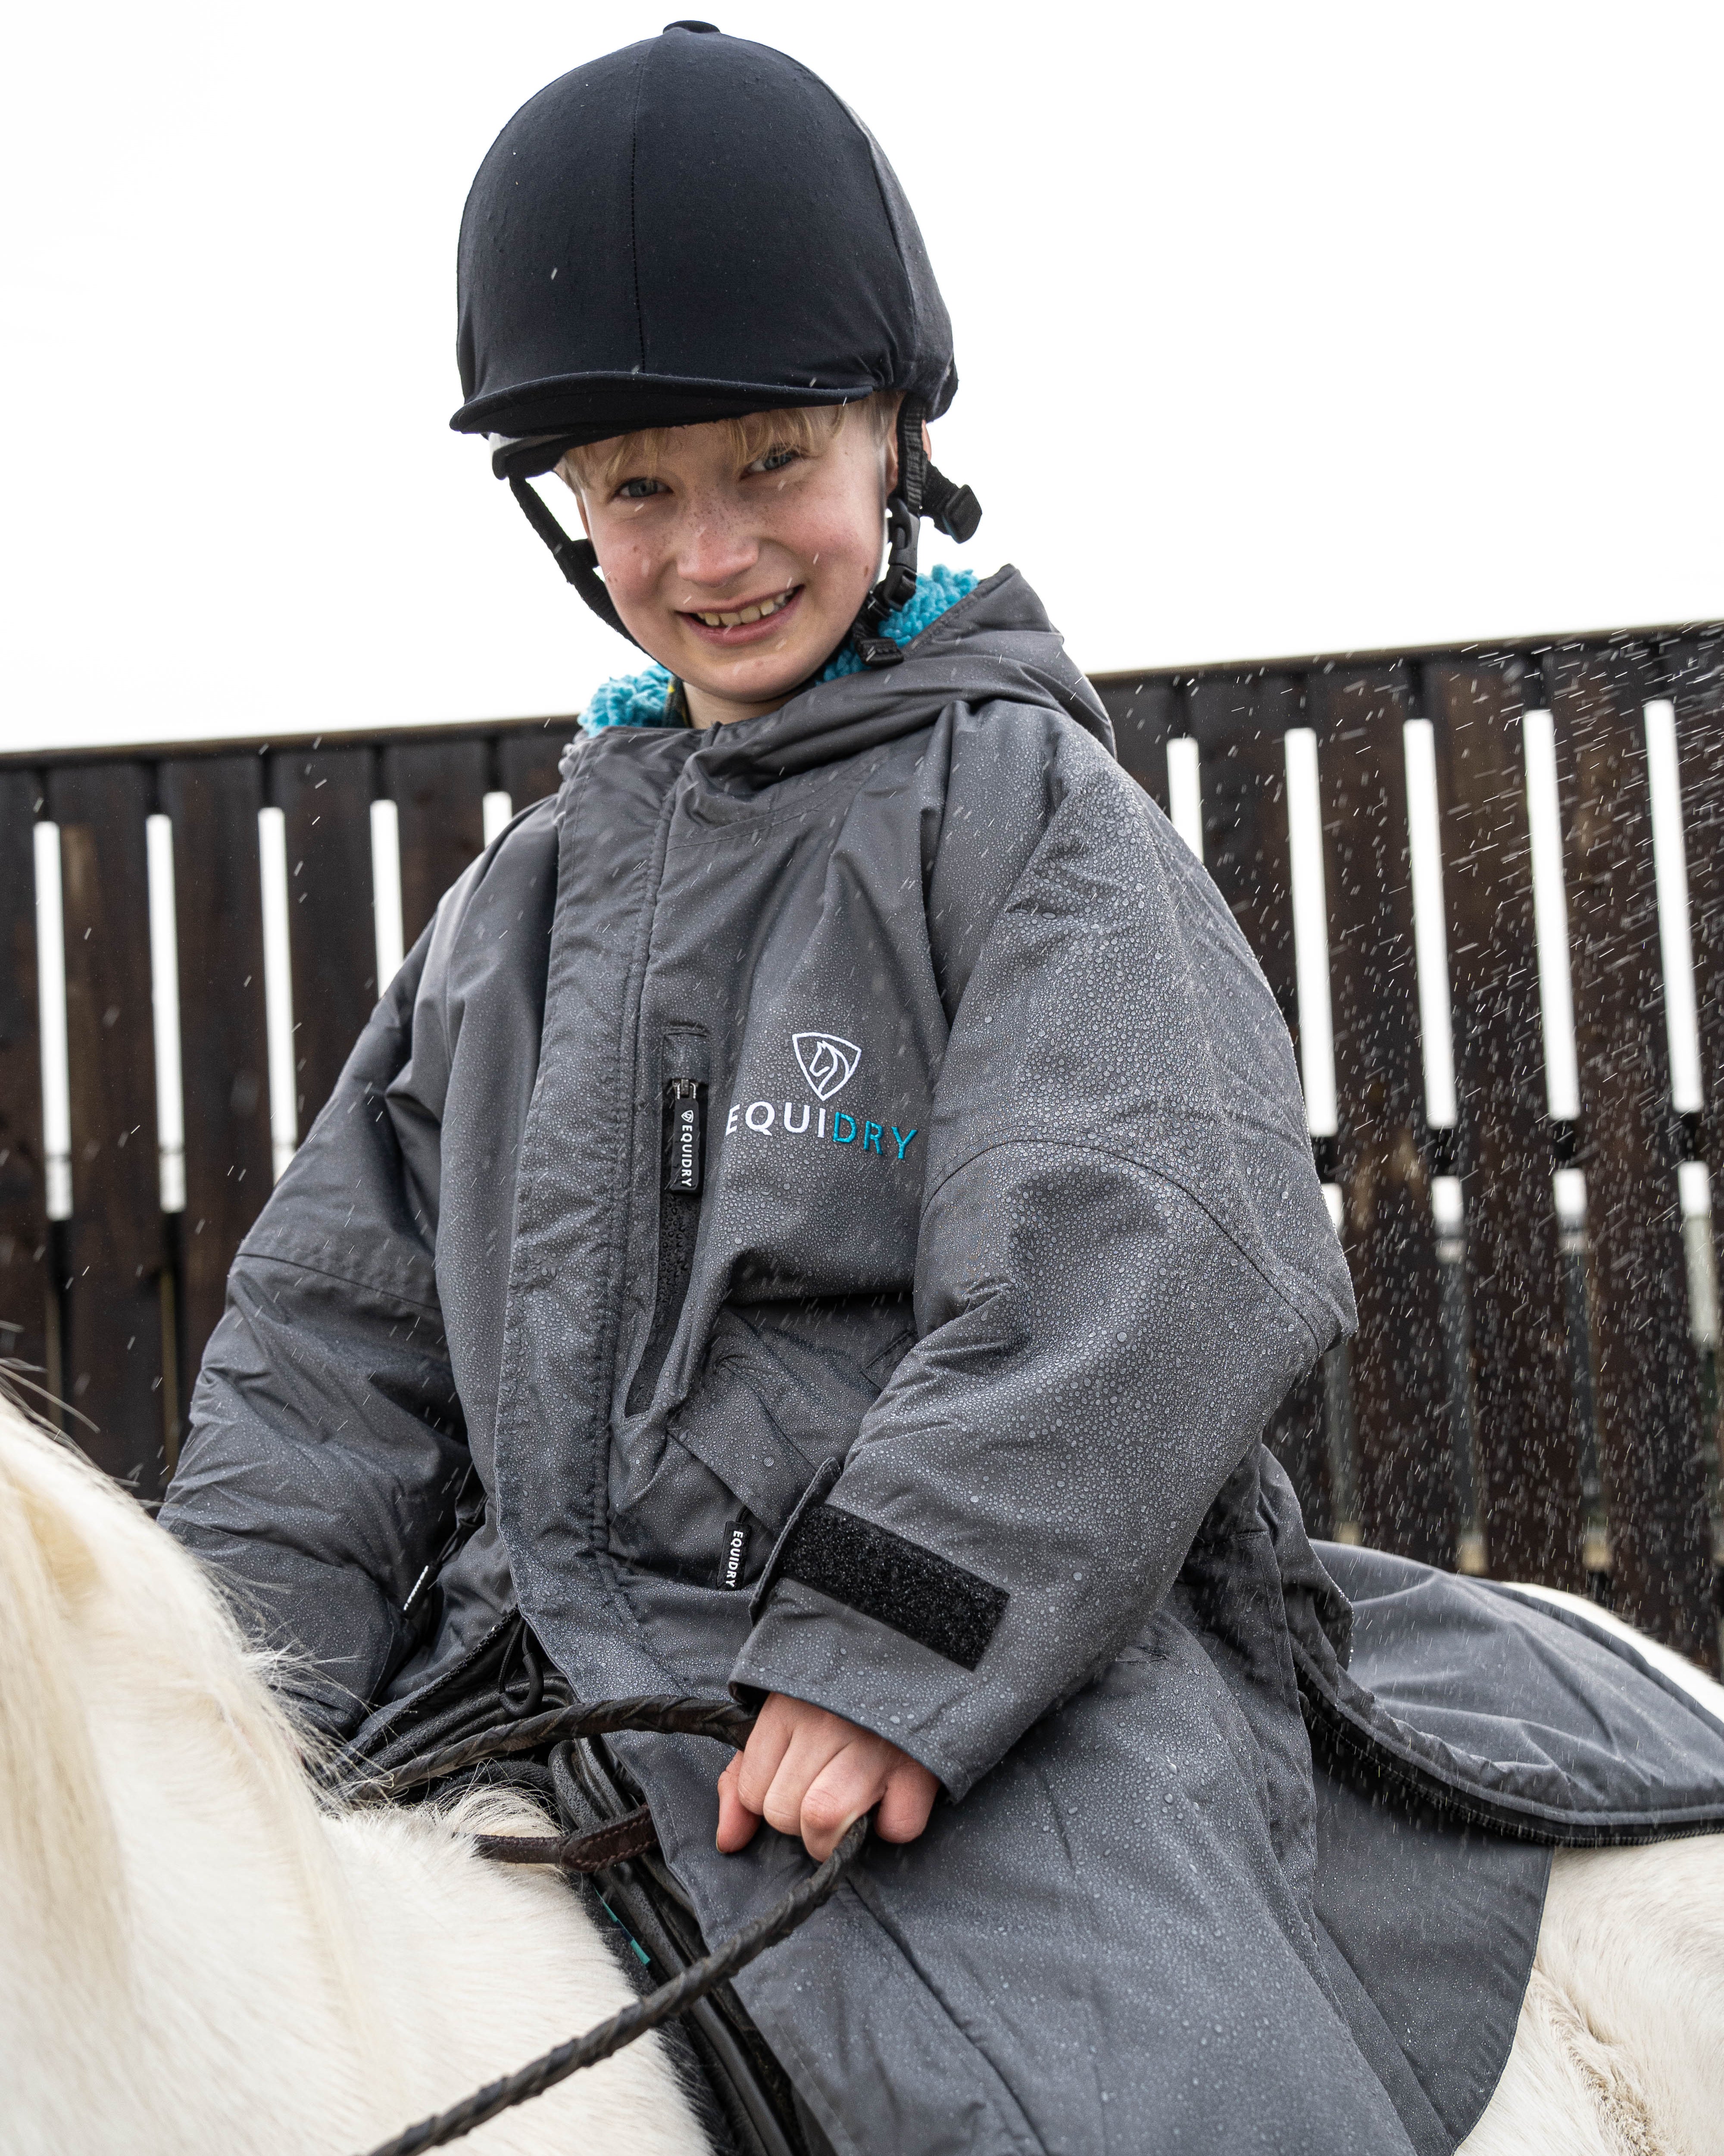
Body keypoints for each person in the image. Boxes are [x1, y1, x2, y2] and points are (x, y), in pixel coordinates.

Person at [162, 26, 1724, 2156]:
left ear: (894, 440)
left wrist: (889, 1639)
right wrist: (213, 1720)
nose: (712, 550)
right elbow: (328, 1354)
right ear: (566, 506)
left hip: (966, 1663)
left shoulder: (1019, 817)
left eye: (769, 464)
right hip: (535, 1681)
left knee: (1132, 2100)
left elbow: (1147, 1240)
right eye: (639, 490)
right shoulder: (510, 920)